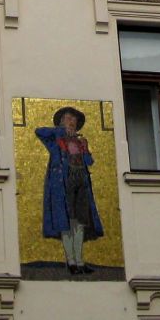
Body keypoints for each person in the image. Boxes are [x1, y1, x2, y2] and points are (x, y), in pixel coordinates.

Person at [36, 106, 104, 275]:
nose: (71, 121)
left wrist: (86, 148)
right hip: (63, 185)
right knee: (66, 223)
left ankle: (80, 262)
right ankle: (71, 261)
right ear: (61, 122)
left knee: (79, 223)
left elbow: (89, 162)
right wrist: (60, 131)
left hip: (80, 182)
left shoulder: (80, 142)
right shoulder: (56, 140)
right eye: (68, 118)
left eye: (73, 119)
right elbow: (39, 131)